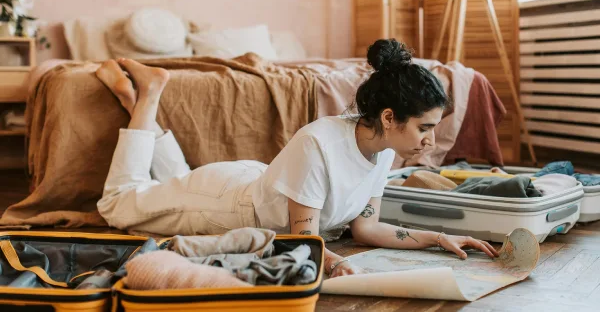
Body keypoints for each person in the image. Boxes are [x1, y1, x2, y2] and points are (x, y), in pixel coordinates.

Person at [95, 39, 498, 279]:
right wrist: (337, 265)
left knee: (172, 182)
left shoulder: (383, 149)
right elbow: (301, 239)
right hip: (227, 205)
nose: (431, 141)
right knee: (118, 205)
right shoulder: (320, 142)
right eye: (424, 127)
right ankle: (150, 94)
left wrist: (438, 239)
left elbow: (366, 229)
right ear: (389, 117)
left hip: (256, 185)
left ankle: (135, 102)